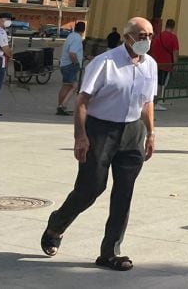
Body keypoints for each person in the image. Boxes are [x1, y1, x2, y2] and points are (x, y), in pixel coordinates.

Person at [41, 16, 157, 272]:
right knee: (91, 188)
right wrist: (80, 136)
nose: (146, 41)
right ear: (127, 36)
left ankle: (110, 251)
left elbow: (147, 102)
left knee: (124, 193)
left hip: (132, 131)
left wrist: (150, 133)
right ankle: (57, 224)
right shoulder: (105, 62)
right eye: (141, 36)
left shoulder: (150, 65)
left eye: (150, 36)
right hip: (100, 130)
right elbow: (82, 101)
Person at [56, 21, 87, 116]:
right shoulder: (77, 39)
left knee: (66, 85)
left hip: (65, 64)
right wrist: (76, 63)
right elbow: (72, 53)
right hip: (70, 65)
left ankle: (61, 105)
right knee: (73, 86)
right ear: (84, 30)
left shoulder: (71, 36)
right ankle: (62, 106)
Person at [149, 19, 179, 112]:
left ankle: (151, 101)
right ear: (173, 26)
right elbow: (175, 52)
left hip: (155, 63)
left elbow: (152, 47)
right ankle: (155, 103)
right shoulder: (173, 38)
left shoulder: (158, 36)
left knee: (154, 82)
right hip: (166, 64)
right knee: (161, 84)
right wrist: (175, 64)